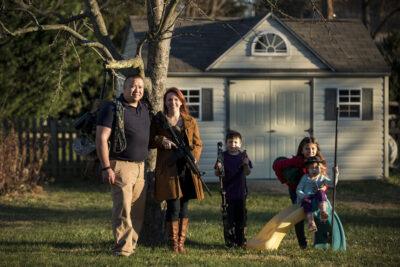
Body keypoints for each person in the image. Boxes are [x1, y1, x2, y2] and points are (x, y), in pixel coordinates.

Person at [95, 75, 150, 257]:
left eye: (140, 87)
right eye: (133, 86)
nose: (137, 90)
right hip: (121, 166)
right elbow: (102, 138)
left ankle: (130, 245)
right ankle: (122, 248)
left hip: (140, 167)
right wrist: (106, 167)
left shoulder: (144, 109)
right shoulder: (112, 108)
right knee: (123, 209)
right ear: (124, 88)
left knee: (136, 210)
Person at [149, 87, 204, 253]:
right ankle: (173, 244)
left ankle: (181, 244)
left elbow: (198, 143)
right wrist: (161, 140)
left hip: (186, 169)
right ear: (165, 102)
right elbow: (150, 141)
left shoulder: (189, 121)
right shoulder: (160, 121)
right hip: (169, 169)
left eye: (175, 99)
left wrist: (194, 156)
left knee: (184, 207)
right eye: (169, 99)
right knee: (173, 207)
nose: (172, 102)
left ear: (181, 102)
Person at [272, 137, 327, 249]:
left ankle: (321, 241)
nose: (310, 151)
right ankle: (302, 244)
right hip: (297, 192)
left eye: (313, 149)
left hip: (315, 192)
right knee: (299, 216)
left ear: (317, 150)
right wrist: (286, 181)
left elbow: (324, 180)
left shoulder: (319, 162)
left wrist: (323, 189)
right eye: (307, 149)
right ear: (301, 150)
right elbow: (276, 166)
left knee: (319, 212)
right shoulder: (297, 161)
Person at [214, 130, 252, 248]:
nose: (233, 145)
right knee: (229, 219)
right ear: (226, 143)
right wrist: (219, 167)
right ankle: (230, 242)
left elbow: (247, 172)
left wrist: (245, 164)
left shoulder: (243, 156)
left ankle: (241, 241)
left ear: (240, 144)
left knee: (241, 218)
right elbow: (217, 173)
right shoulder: (223, 156)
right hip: (227, 193)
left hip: (240, 192)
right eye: (230, 142)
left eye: (235, 142)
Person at [296, 156, 337, 232]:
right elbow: (298, 189)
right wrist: (304, 196)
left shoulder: (322, 178)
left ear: (320, 168)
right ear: (307, 169)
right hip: (307, 199)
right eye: (311, 168)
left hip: (318, 200)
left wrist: (335, 174)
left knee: (321, 192)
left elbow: (332, 184)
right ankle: (311, 223)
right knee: (307, 205)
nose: (314, 170)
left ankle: (323, 212)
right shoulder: (305, 178)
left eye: (316, 167)